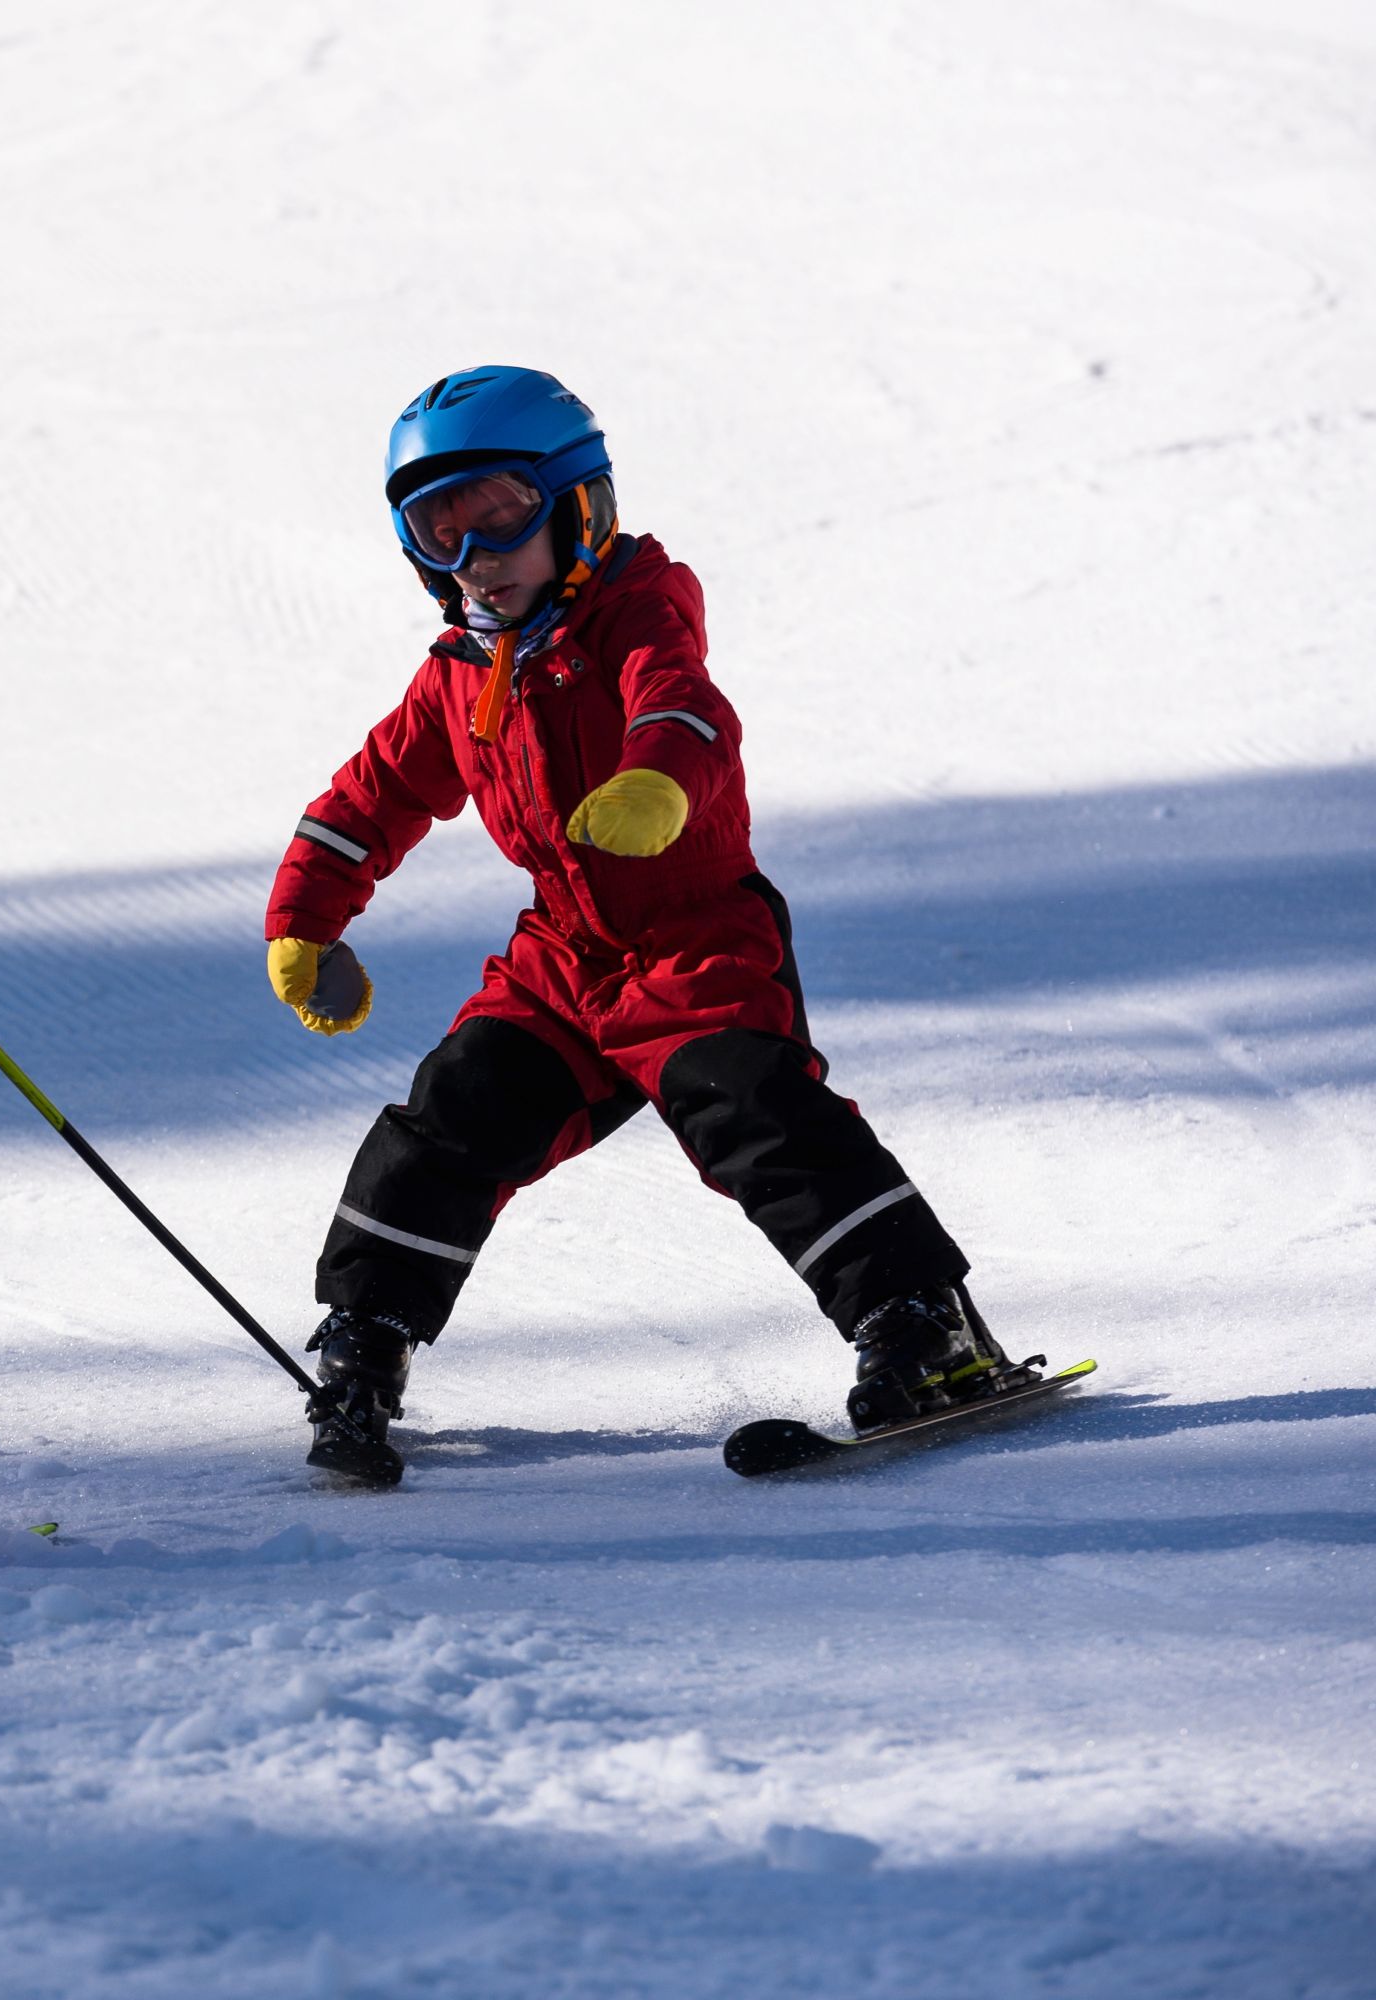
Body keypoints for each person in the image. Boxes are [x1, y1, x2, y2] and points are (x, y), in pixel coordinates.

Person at [265, 365, 982, 1486]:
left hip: (694, 934)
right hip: (562, 955)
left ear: (578, 506)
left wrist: (658, 782)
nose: (475, 556)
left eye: (500, 515)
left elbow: (682, 703)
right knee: (453, 1108)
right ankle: (367, 1338)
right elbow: (371, 797)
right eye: (439, 530)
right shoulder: (459, 673)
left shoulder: (639, 610)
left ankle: (918, 1317)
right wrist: (305, 918)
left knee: (751, 1107)